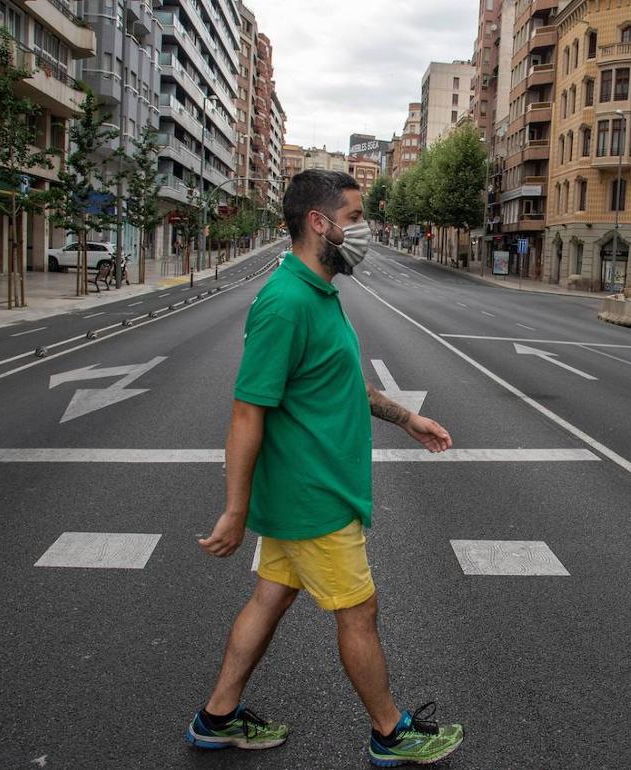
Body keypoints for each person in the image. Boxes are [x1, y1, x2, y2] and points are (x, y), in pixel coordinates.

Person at [188, 170, 464, 767]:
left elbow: (337, 383)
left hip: (308, 490)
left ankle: (217, 716)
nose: (362, 230)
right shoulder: (286, 303)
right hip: (311, 494)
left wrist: (405, 417)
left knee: (271, 598)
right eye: (355, 217)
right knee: (358, 611)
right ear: (320, 222)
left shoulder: (318, 294)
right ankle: (391, 733)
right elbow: (246, 411)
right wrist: (235, 511)